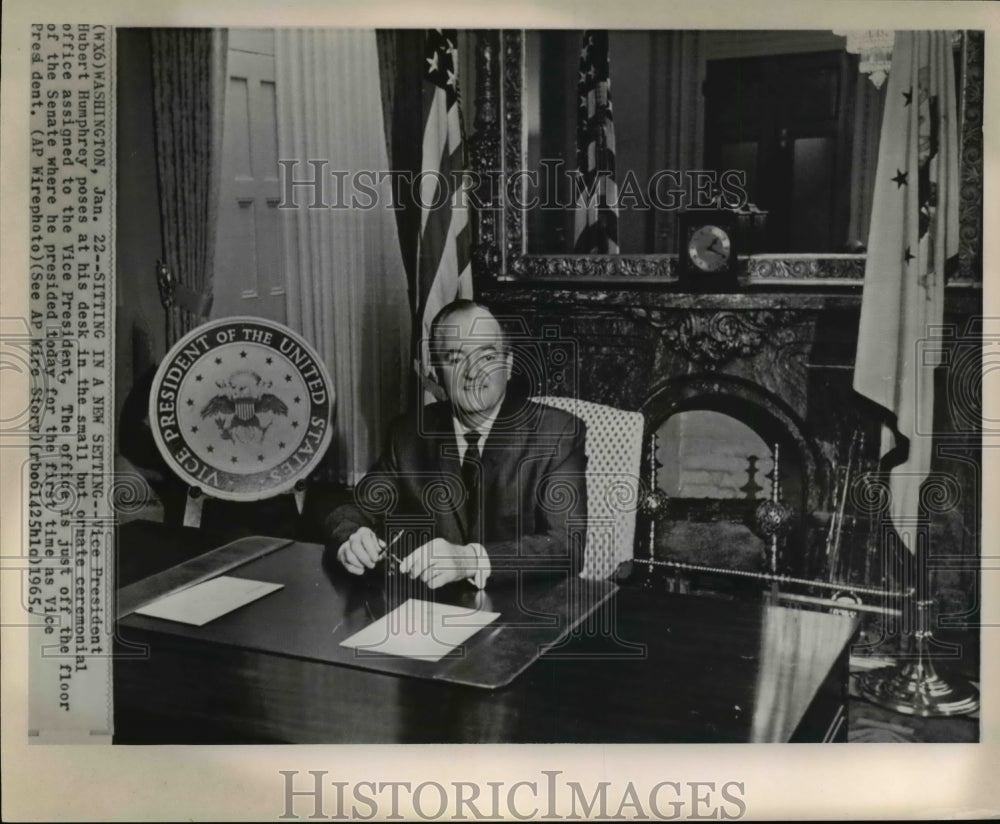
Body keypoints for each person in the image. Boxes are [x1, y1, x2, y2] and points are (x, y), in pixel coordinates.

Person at [324, 300, 587, 589]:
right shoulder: (409, 434)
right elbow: (353, 507)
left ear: (509, 366)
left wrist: (469, 561)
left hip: (521, 612)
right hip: (430, 611)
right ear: (435, 372)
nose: (473, 372)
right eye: (455, 358)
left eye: (487, 357)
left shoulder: (557, 433)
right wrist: (352, 537)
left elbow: (566, 547)